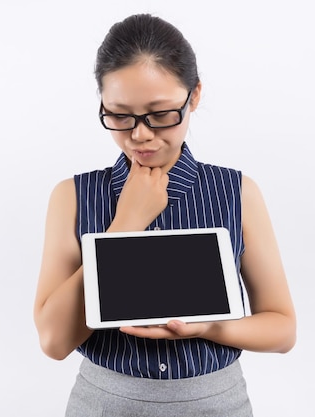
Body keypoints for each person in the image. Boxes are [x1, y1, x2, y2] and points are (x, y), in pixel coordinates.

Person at [33, 13, 296, 416]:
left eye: (160, 114)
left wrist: (209, 327)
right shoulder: (73, 195)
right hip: (105, 403)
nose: (140, 134)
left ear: (194, 96)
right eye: (119, 115)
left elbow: (282, 329)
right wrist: (124, 226)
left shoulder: (236, 191)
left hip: (216, 404)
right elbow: (54, 341)